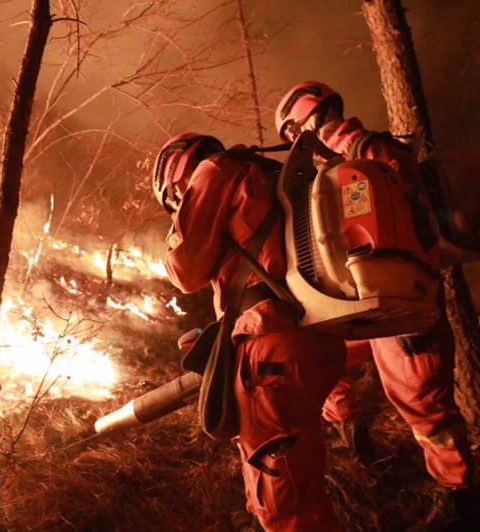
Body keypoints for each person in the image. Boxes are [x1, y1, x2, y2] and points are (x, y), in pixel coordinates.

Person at [276, 81, 474, 522]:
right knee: (322, 366)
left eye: (291, 132)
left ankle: (459, 497)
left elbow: (400, 225)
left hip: (401, 305)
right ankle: (358, 443)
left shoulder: (369, 151)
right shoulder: (332, 163)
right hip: (358, 304)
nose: (293, 143)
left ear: (304, 120)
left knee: (424, 403)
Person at [154, 133, 347, 531]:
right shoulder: (270, 173)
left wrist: (180, 220)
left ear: (176, 178)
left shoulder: (215, 171)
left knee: (284, 503)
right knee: (297, 480)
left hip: (270, 346)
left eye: (177, 198)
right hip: (315, 335)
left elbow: (184, 271)